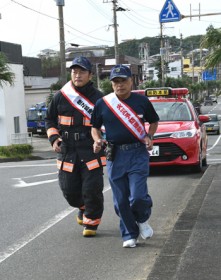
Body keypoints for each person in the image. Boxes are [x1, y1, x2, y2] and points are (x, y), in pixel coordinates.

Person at [91, 64, 159, 248]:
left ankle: (142, 218)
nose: (119, 85)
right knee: (120, 200)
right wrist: (97, 140)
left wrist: (149, 136)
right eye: (116, 82)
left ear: (131, 81)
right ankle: (129, 234)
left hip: (137, 152)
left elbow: (153, 121)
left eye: (123, 81)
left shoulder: (142, 101)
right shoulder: (103, 104)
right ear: (112, 84)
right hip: (115, 154)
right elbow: (94, 127)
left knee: (137, 196)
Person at [45, 56, 106, 237]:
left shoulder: (99, 98)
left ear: (89, 74)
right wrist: (54, 138)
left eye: (81, 72)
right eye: (74, 71)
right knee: (69, 191)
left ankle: (92, 222)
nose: (77, 75)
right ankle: (82, 206)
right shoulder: (61, 96)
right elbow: (49, 119)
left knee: (92, 188)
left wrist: (103, 141)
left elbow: (108, 122)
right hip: (68, 150)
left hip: (91, 148)